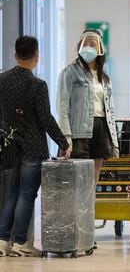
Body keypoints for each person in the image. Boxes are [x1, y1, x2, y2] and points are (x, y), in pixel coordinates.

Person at [0, 36, 70, 257]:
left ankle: (2, 241)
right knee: (26, 195)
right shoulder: (37, 85)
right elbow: (45, 119)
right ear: (36, 56)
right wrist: (63, 142)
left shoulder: (2, 80)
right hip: (32, 147)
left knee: (11, 193)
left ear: (15, 54)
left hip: (9, 145)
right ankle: (20, 242)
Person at [58, 29, 119, 185]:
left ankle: (90, 209)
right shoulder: (70, 72)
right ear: (80, 46)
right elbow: (62, 106)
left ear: (100, 49)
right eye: (85, 43)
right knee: (78, 178)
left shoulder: (104, 77)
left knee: (94, 176)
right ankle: (78, 210)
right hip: (80, 130)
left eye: (93, 44)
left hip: (101, 128)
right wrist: (66, 136)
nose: (89, 47)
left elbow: (110, 110)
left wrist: (114, 141)